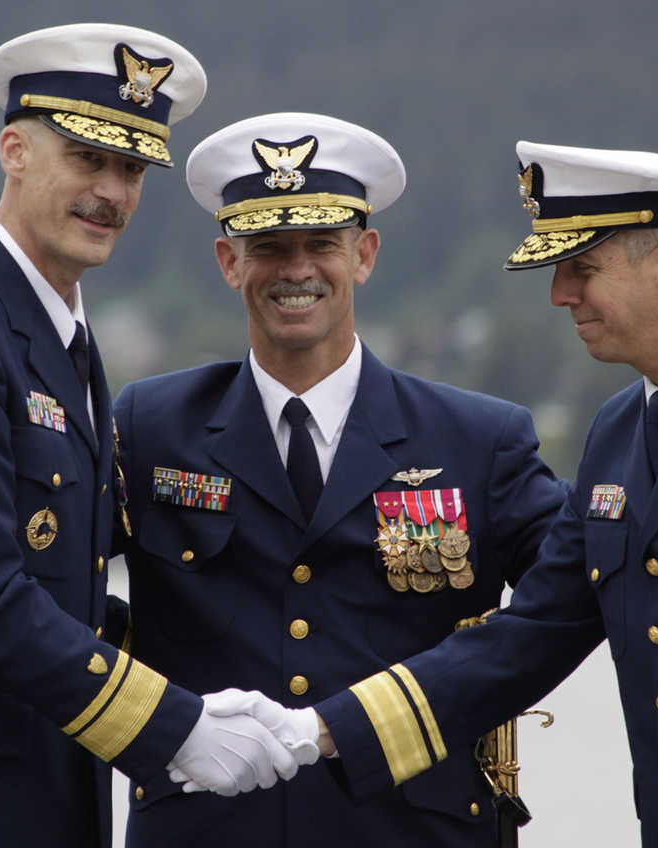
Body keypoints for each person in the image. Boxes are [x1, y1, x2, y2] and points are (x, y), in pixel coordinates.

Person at [0, 25, 303, 847]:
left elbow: (66, 591)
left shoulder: (60, 342)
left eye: (133, 169)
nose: (111, 191)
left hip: (20, 790)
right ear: (13, 151)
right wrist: (177, 726)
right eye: (88, 159)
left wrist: (226, 668)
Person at [305, 141, 658, 848]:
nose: (560, 294)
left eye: (581, 269)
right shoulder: (615, 436)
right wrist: (325, 729)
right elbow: (530, 636)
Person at [113, 113, 566, 847]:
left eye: (322, 244)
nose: (297, 270)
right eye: (269, 247)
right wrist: (148, 703)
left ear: (365, 255)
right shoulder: (152, 427)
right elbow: (46, 577)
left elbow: (572, 599)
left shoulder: (479, 442)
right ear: (229, 261)